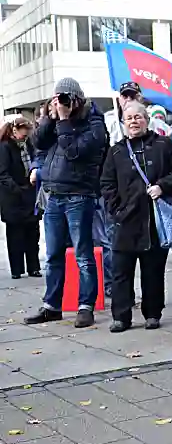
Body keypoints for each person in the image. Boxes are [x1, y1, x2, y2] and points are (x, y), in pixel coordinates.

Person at [25, 77, 107, 328]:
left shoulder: (93, 123)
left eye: (64, 98)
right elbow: (38, 143)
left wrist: (63, 120)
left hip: (79, 196)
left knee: (83, 255)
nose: (60, 102)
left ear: (77, 99)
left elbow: (74, 151)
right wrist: (49, 118)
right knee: (52, 256)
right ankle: (51, 306)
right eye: (57, 97)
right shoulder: (55, 120)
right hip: (53, 195)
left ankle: (85, 306)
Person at [100, 101, 172, 332]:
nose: (134, 122)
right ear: (123, 123)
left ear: (147, 120)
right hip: (125, 221)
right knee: (121, 272)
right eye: (129, 118)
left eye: (138, 117)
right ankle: (121, 316)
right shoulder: (116, 151)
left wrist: (162, 186)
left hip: (155, 220)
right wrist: (116, 209)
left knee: (153, 271)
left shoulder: (163, 144)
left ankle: (153, 313)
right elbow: (106, 183)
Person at [0, 117, 41, 279]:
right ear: (15, 130)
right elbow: (3, 173)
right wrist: (17, 189)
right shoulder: (5, 147)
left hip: (29, 192)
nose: (26, 135)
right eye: (24, 131)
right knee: (15, 235)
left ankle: (34, 267)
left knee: (33, 233)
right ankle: (17, 269)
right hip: (13, 197)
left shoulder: (29, 145)